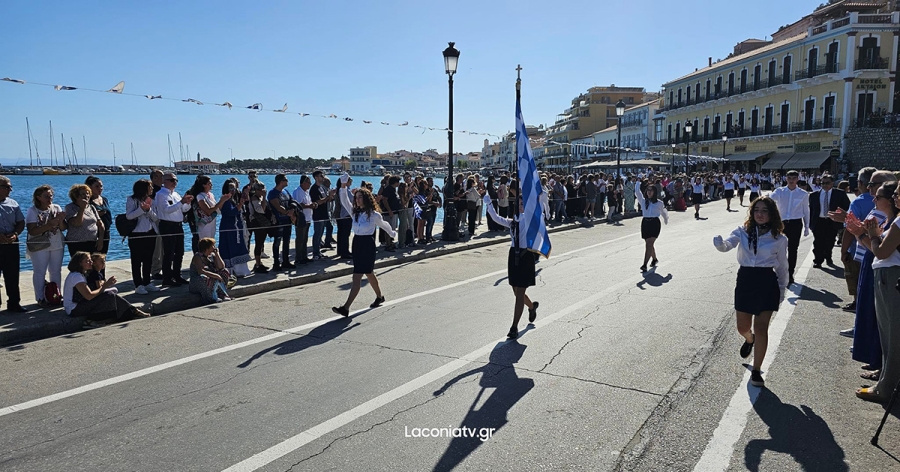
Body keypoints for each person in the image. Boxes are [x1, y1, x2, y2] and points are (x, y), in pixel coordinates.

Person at [713, 196, 789, 388]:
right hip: (746, 280)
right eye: (757, 210)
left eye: (764, 211)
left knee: (762, 327)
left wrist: (781, 290)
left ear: (772, 215)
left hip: (766, 282)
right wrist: (720, 244)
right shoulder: (742, 231)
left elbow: (782, 267)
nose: (760, 214)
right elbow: (728, 245)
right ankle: (749, 339)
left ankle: (756, 370)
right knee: (742, 327)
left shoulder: (779, 239)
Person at [854, 182, 900, 402]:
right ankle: (886, 379)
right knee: (888, 333)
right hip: (888, 276)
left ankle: (887, 388)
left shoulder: (899, 221)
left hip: (891, 278)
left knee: (892, 334)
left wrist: (872, 235)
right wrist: (866, 235)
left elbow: (881, 252)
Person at [331, 187, 396, 317]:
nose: (357, 199)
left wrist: (392, 233)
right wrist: (343, 187)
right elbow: (344, 201)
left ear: (366, 199)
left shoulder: (374, 215)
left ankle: (346, 307)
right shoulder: (355, 213)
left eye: (360, 197)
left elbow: (384, 225)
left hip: (367, 245)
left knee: (357, 276)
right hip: (357, 244)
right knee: (369, 273)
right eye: (356, 197)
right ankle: (379, 296)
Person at [484, 193, 539, 339]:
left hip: (525, 256)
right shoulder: (513, 222)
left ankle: (514, 327)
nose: (521, 206)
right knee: (516, 292)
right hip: (513, 257)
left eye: (523, 204)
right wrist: (488, 202)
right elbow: (496, 218)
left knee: (519, 294)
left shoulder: (528, 219)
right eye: (519, 204)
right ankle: (532, 307)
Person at [63, 251, 149, 323]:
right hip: (74, 308)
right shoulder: (76, 276)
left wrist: (104, 287)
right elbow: (89, 296)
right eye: (87, 261)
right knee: (109, 295)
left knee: (111, 295)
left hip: (80, 303)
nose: (91, 263)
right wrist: (105, 286)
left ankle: (132, 311)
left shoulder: (82, 274)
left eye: (90, 260)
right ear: (80, 263)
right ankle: (93, 320)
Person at [25, 185, 67, 307]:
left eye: (51, 196)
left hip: (56, 243)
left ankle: (56, 295)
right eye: (46, 196)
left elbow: (63, 228)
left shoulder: (56, 207)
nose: (50, 198)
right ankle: (40, 297)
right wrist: (49, 225)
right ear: (38, 198)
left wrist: (60, 220)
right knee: (39, 271)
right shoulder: (32, 211)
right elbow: (32, 230)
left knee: (55, 271)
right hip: (39, 245)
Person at [769, 170, 810, 285]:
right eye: (789, 178)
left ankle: (790, 273)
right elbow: (770, 201)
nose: (791, 180)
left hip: (796, 223)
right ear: (786, 179)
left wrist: (807, 226)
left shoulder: (803, 194)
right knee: (779, 249)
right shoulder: (780, 191)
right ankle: (779, 272)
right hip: (781, 223)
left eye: (794, 178)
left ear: (797, 179)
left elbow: (806, 210)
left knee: (793, 249)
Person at [154, 172, 194, 287]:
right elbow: (166, 209)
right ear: (164, 181)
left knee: (179, 252)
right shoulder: (161, 194)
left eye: (176, 180)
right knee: (169, 253)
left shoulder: (176, 194)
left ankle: (177, 275)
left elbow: (183, 209)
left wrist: (187, 203)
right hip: (167, 225)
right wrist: (181, 202)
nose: (174, 183)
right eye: (171, 180)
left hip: (177, 225)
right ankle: (167, 278)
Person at [125, 179, 160, 295]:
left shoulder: (152, 200)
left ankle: (147, 282)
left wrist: (148, 210)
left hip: (150, 232)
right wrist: (141, 209)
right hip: (136, 233)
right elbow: (129, 216)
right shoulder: (131, 200)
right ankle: (138, 284)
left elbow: (155, 217)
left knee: (148, 259)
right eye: (150, 187)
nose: (152, 189)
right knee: (136, 260)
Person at [809, 173, 850, 268]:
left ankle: (828, 256)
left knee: (830, 241)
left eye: (827, 183)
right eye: (823, 183)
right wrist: (810, 224)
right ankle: (818, 260)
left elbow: (847, 207)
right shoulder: (814, 195)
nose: (825, 185)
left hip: (832, 221)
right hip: (819, 221)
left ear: (832, 183)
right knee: (818, 242)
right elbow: (811, 211)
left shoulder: (839, 194)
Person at [218, 181, 252, 277]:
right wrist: (240, 205)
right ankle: (230, 271)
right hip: (229, 228)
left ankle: (240, 271)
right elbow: (230, 212)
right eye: (230, 189)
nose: (233, 191)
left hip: (236, 228)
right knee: (230, 247)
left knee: (238, 247)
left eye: (234, 189)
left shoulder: (232, 199)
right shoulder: (225, 200)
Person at [636, 181, 669, 272]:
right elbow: (637, 192)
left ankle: (644, 264)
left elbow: (663, 212)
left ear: (654, 192)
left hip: (655, 223)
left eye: (651, 190)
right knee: (649, 244)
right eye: (648, 190)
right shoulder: (643, 201)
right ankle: (654, 259)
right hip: (646, 223)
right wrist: (638, 183)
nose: (649, 192)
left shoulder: (659, 203)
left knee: (649, 243)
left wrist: (666, 219)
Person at [189, 237, 234, 304]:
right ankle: (213, 298)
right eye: (212, 246)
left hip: (211, 279)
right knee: (206, 277)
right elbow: (201, 271)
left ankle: (223, 295)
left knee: (224, 272)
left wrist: (217, 254)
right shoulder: (197, 257)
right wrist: (216, 276)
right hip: (197, 281)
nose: (214, 247)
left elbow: (221, 267)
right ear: (207, 247)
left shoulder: (211, 256)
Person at [64, 184, 103, 257]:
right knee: (79, 266)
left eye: (87, 193)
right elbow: (77, 223)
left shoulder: (91, 207)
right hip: (76, 243)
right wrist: (82, 208)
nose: (86, 196)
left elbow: (100, 224)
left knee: (91, 266)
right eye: (83, 194)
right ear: (76, 196)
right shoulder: (69, 208)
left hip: (92, 241)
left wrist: (101, 238)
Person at [268, 174, 296, 270]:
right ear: (281, 181)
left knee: (286, 241)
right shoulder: (273, 193)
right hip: (278, 221)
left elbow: (292, 201)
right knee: (277, 242)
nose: (287, 181)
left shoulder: (286, 191)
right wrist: (287, 213)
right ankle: (276, 263)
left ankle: (285, 261)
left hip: (287, 220)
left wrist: (292, 211)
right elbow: (277, 206)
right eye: (286, 179)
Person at [190, 175, 227, 241]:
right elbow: (208, 211)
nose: (211, 185)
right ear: (204, 185)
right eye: (209, 183)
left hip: (212, 222)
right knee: (206, 243)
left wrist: (223, 201)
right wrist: (221, 201)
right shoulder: (200, 196)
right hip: (204, 224)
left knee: (212, 241)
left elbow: (217, 209)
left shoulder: (211, 195)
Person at [246, 182, 271, 273]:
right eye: (261, 190)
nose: (263, 192)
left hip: (262, 223)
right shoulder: (254, 199)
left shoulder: (260, 198)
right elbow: (261, 210)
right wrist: (264, 197)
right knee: (258, 242)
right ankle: (257, 263)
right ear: (256, 190)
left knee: (261, 243)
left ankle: (259, 262)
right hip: (257, 223)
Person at [292, 175, 315, 263]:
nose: (310, 184)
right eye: (309, 182)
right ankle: (298, 258)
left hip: (308, 218)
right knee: (300, 239)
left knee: (305, 239)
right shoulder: (298, 191)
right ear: (304, 183)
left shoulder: (306, 192)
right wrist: (309, 206)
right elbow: (298, 205)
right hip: (301, 219)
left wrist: (313, 205)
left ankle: (304, 256)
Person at [149, 169, 165, 280]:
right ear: (154, 178)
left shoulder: (163, 190)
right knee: (157, 247)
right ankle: (155, 270)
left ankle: (166, 267)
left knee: (165, 246)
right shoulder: (150, 190)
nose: (163, 179)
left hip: (165, 219)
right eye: (161, 177)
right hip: (155, 220)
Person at [335, 174, 354, 259]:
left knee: (341, 234)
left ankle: (341, 250)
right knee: (345, 234)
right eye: (350, 181)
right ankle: (345, 252)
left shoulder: (338, 190)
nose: (351, 183)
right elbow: (352, 200)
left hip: (341, 214)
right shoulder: (345, 191)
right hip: (346, 214)